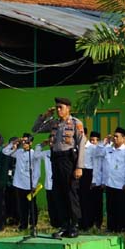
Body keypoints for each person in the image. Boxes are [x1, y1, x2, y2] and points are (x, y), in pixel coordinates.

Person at [31, 97, 86, 238]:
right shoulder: (54, 123)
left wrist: (79, 166)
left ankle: (74, 225)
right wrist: (45, 116)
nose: (58, 110)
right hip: (56, 159)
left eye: (61, 107)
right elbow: (35, 129)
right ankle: (64, 225)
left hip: (69, 160)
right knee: (58, 192)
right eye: (57, 108)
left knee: (70, 192)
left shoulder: (75, 123)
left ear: (68, 108)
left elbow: (81, 144)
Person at [2, 133, 45, 231]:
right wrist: (13, 143)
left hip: (29, 183)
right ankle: (23, 224)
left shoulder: (34, 154)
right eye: (23, 141)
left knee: (32, 205)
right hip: (18, 183)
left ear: (31, 142)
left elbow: (37, 171)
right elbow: (5, 152)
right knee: (21, 206)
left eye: (27, 141)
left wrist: (34, 184)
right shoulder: (19, 152)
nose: (24, 143)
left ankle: (33, 224)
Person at [97, 127, 125, 233]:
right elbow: (97, 153)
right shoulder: (109, 149)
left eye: (117, 136)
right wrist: (103, 142)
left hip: (121, 184)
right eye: (114, 136)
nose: (115, 138)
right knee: (110, 207)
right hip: (109, 183)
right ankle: (111, 227)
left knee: (121, 207)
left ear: (124, 138)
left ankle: (122, 228)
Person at [79, 129, 99, 230]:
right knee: (79, 199)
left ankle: (88, 223)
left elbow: (95, 164)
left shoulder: (92, 148)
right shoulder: (77, 146)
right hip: (79, 173)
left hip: (88, 173)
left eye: (81, 133)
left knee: (87, 200)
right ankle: (80, 223)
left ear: (85, 134)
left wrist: (94, 180)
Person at [42, 134, 62, 228]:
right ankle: (54, 224)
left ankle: (61, 223)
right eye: (49, 142)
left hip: (58, 184)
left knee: (59, 204)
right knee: (51, 206)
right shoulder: (46, 153)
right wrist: (42, 145)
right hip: (49, 184)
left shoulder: (61, 153)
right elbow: (37, 154)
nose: (51, 144)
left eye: (52, 142)